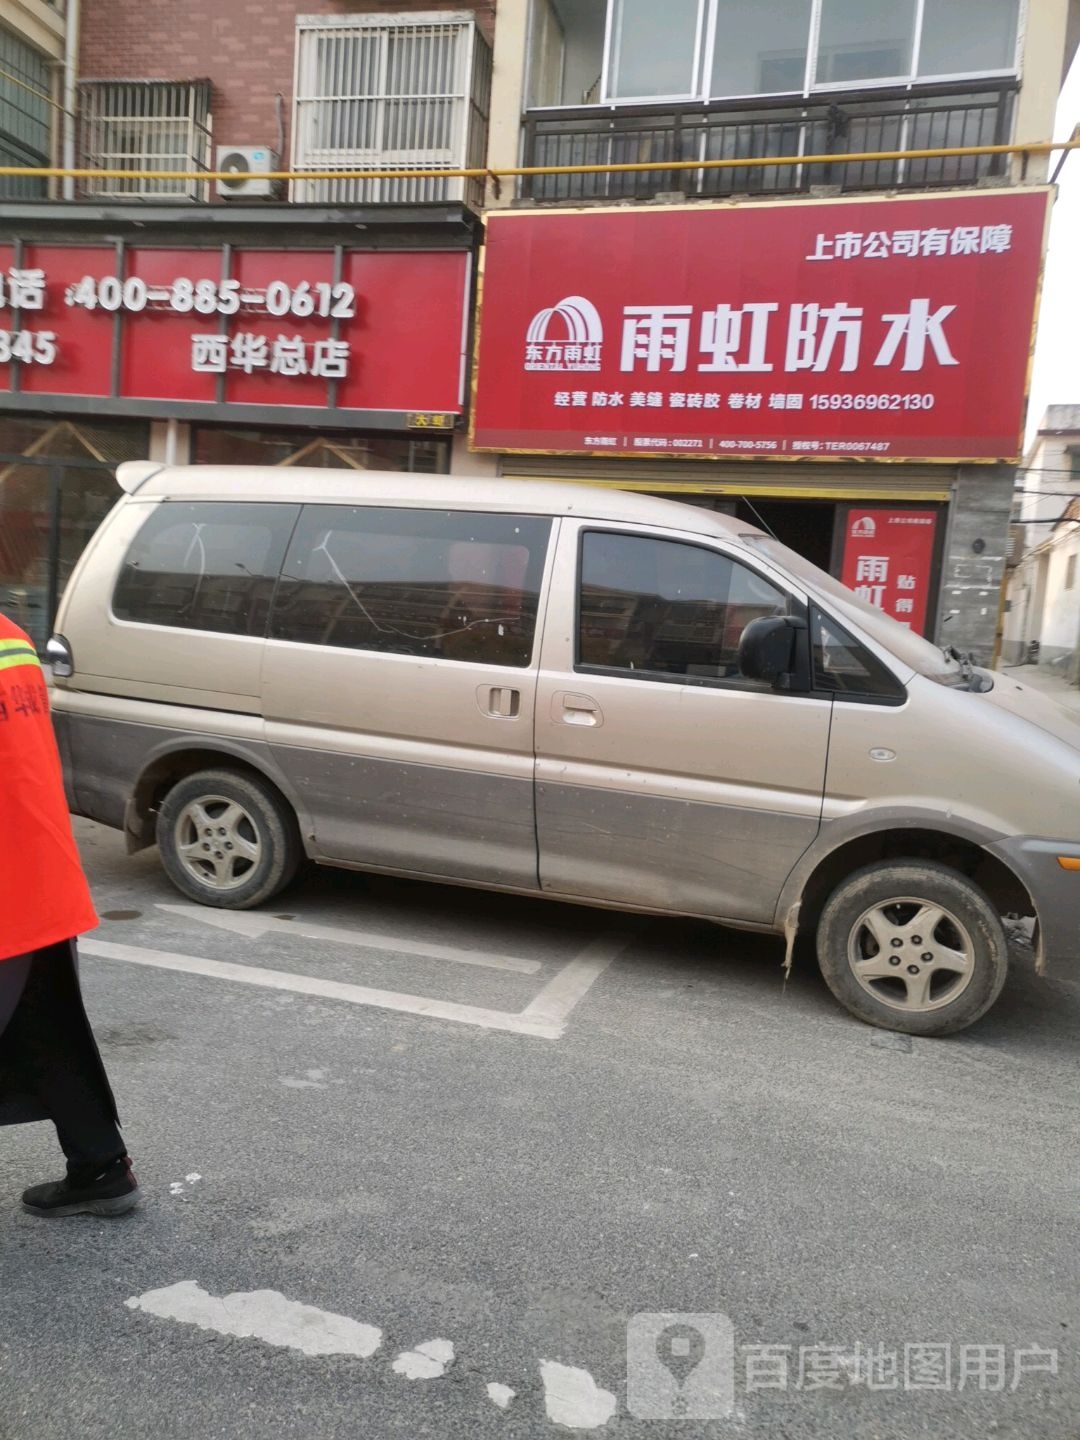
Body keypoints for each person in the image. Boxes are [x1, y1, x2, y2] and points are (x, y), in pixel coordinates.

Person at [0, 613, 138, 1217]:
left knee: (43, 1019)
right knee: (45, 1020)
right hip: (39, 869)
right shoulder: (10, 635)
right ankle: (100, 1165)